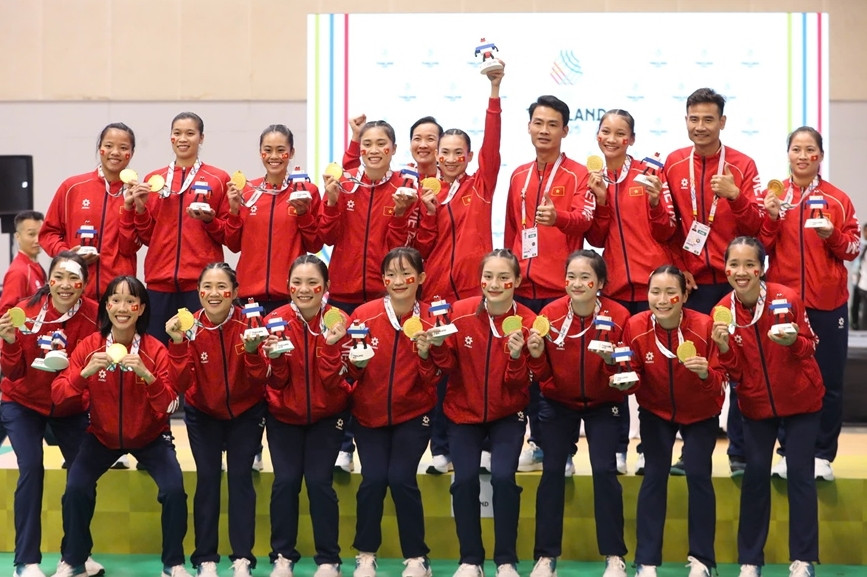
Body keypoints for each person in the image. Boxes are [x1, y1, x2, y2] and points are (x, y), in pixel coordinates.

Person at [50, 276, 192, 577]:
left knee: (174, 490)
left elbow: (170, 404)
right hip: (101, 436)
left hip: (151, 437)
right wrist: (84, 373)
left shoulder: (155, 350)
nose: (123, 308)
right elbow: (58, 395)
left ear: (142, 308)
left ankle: (173, 563)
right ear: (106, 306)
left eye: (131, 301)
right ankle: (74, 560)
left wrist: (148, 376)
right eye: (115, 300)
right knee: (75, 488)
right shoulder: (90, 347)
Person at [417, 248, 541, 577]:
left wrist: (517, 357)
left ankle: (505, 560)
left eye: (503, 277)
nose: (495, 284)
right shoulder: (459, 313)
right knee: (464, 481)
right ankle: (470, 560)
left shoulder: (528, 322)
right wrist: (436, 349)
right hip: (463, 413)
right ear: (480, 279)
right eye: (488, 276)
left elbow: (522, 385)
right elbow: (447, 368)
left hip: (508, 414)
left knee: (503, 478)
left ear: (517, 281)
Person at [662, 87, 763, 476]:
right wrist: (678, 266)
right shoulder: (673, 164)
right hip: (694, 287)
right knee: (693, 368)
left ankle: (740, 452)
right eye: (694, 119)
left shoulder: (742, 164)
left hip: (736, 285)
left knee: (741, 369)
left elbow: (757, 227)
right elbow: (667, 228)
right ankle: (691, 453)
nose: (700, 126)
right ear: (686, 120)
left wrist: (735, 196)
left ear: (722, 122)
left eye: (708, 119)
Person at [710, 236, 824, 577]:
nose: (741, 272)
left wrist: (793, 342)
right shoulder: (721, 312)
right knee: (755, 476)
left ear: (762, 268)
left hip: (802, 400)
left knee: (800, 475)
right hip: (757, 404)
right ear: (725, 268)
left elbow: (811, 344)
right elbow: (732, 372)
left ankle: (803, 560)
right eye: (734, 264)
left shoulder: (786, 298)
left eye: (750, 264)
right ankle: (750, 560)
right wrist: (724, 349)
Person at [412, 62, 505, 475]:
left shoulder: (480, 187)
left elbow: (493, 146)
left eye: (458, 153)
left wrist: (494, 93)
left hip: (472, 296)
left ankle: (481, 447)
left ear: (468, 157)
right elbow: (420, 248)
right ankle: (441, 449)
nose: (450, 158)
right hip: (435, 297)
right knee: (438, 372)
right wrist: (429, 213)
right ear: (436, 155)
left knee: (473, 370)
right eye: (444, 152)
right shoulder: (423, 191)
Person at [759, 126, 861, 482]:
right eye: (796, 149)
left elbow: (852, 249)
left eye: (810, 150)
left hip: (828, 304)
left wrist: (832, 235)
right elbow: (759, 249)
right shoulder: (774, 196)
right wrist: (771, 218)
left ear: (821, 155)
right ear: (787, 154)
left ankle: (821, 456)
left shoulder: (837, 199)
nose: (803, 156)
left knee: (828, 382)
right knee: (786, 381)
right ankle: (788, 453)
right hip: (784, 305)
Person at [584, 109, 679, 475]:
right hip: (617, 291)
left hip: (653, 290)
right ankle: (619, 449)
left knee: (655, 373)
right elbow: (596, 237)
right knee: (618, 369)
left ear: (632, 139)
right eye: (605, 131)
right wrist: (601, 200)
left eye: (619, 132)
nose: (611, 138)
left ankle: (650, 451)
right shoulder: (593, 178)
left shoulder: (649, 175)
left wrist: (655, 202)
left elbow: (668, 229)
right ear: (597, 136)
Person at [320, 120, 417, 472]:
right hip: (343, 293)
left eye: (380, 144)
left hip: (381, 296)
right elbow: (326, 236)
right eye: (367, 144)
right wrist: (332, 201)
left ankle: (373, 447)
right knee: (342, 370)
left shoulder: (405, 187)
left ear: (393, 149)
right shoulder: (345, 184)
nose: (373, 150)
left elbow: (398, 248)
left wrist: (402, 212)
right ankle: (343, 448)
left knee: (374, 372)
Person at [504, 95, 594, 473]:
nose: (544, 130)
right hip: (524, 291)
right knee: (527, 373)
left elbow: (586, 221)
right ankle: (537, 444)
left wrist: (559, 218)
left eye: (552, 124)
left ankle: (563, 452)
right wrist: (509, 277)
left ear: (565, 130)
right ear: (529, 127)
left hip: (560, 292)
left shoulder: (578, 174)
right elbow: (512, 230)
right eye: (538, 123)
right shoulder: (518, 175)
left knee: (559, 377)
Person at [529, 250, 632, 577]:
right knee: (552, 472)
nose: (576, 283)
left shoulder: (620, 315)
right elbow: (540, 371)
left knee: (604, 471)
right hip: (558, 402)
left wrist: (613, 364)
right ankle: (545, 557)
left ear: (600, 283)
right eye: (570, 276)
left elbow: (626, 374)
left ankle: (614, 556)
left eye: (585, 277)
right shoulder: (549, 314)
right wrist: (537, 359)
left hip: (603, 403)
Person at [0, 252, 101, 577]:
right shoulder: (25, 311)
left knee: (83, 475)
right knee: (31, 468)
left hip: (70, 407)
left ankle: (76, 556)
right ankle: (26, 561)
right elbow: (12, 373)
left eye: (74, 278)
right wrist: (9, 342)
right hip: (23, 402)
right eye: (59, 277)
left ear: (85, 284)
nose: (65, 285)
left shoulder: (95, 316)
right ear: (48, 280)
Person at [165, 263, 269, 577]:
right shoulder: (188, 326)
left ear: (235, 292)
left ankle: (242, 558)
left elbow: (261, 378)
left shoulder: (251, 323)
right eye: (206, 287)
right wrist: (178, 343)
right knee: (208, 480)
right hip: (203, 414)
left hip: (246, 413)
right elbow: (180, 383)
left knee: (240, 479)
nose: (213, 293)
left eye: (221, 286)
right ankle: (205, 558)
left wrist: (253, 352)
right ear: (198, 292)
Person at [624, 265, 726, 577]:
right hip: (655, 411)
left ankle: (702, 560)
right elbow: (631, 373)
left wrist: (705, 374)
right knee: (654, 476)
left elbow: (721, 381)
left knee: (698, 475)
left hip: (700, 412)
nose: (662, 299)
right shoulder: (635, 326)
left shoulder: (705, 326)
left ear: (683, 297)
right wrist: (623, 376)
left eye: (670, 292)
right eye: (655, 292)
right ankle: (646, 561)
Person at [345, 247, 437, 577]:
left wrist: (425, 356)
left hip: (413, 414)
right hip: (369, 416)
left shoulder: (432, 319)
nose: (398, 281)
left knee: (400, 479)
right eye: (391, 274)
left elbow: (438, 375)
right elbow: (348, 372)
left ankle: (416, 557)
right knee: (372, 481)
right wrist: (356, 365)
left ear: (421, 278)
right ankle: (365, 554)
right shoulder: (363, 316)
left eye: (406, 273)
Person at [262, 255, 351, 577]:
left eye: (312, 282)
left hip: (327, 416)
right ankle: (282, 555)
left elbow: (337, 379)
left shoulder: (340, 321)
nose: (303, 289)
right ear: (287, 286)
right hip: (283, 415)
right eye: (296, 282)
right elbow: (274, 381)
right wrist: (276, 359)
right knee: (285, 483)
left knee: (318, 483)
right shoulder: (273, 321)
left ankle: (328, 559)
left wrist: (331, 345)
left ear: (326, 287)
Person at [127, 112, 231, 344]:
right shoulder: (154, 179)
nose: (183, 139)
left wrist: (210, 221)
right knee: (158, 350)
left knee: (200, 350)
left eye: (190, 133)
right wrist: (140, 209)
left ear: (201, 138)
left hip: (201, 285)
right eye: (177, 133)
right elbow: (147, 237)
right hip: (159, 282)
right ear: (171, 137)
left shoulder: (218, 179)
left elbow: (229, 236)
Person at [225, 124, 323, 315]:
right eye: (268, 150)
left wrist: (303, 214)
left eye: (281, 150)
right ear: (260, 152)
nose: (274, 156)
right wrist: (234, 211)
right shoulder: (247, 191)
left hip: (291, 295)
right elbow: (233, 245)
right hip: (249, 295)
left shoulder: (306, 191)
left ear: (291, 152)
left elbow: (315, 245)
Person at [40, 123, 141, 300]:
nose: (115, 152)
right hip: (74, 291)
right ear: (99, 148)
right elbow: (48, 234)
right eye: (108, 145)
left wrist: (132, 207)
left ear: (132, 153)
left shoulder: (136, 194)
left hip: (117, 297)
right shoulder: (72, 187)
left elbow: (131, 246)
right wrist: (69, 256)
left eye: (123, 148)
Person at [0, 211, 46, 316]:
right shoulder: (18, 272)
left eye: (41, 234)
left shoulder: (35, 266)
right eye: (31, 234)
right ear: (18, 236)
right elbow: (5, 313)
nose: (37, 240)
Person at [850, 224, 867, 330]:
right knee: (855, 305)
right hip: (858, 280)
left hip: (864, 281)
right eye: (865, 231)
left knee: (864, 310)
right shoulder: (860, 245)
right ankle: (855, 324)